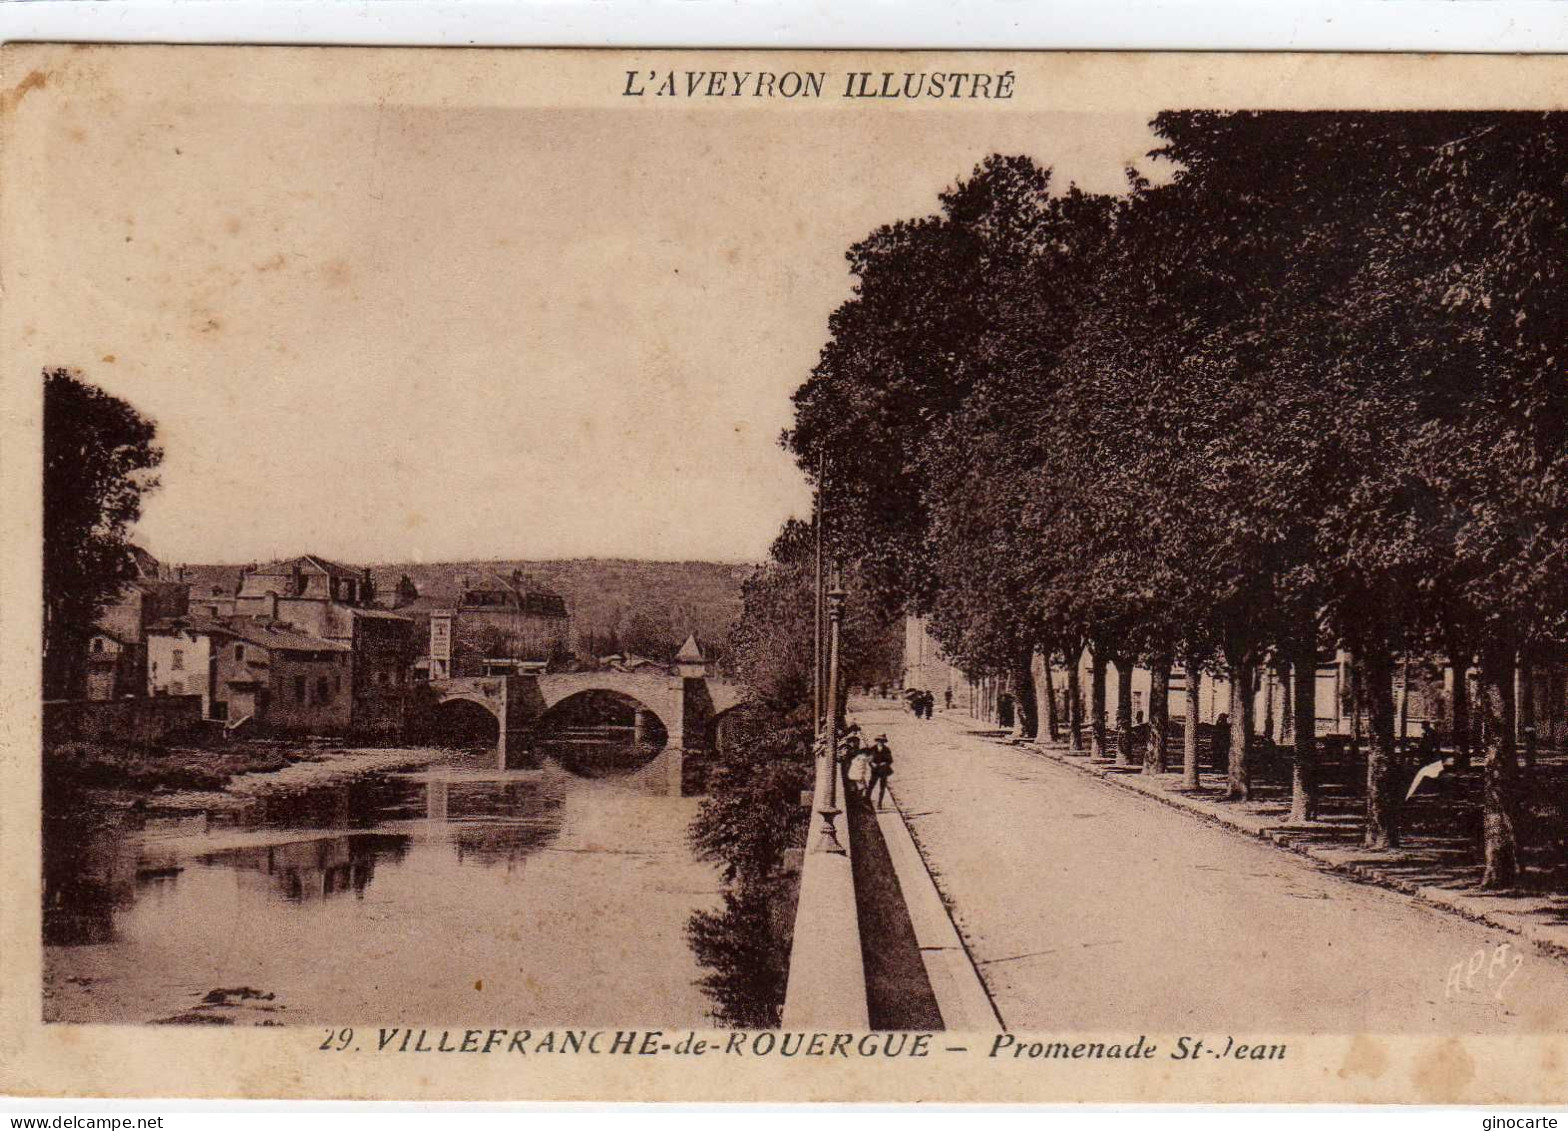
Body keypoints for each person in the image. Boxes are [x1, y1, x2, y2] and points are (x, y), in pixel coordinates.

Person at [869, 734, 895, 809]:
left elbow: (890, 760)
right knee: (871, 786)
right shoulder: (872, 749)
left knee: (882, 788)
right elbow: (869, 759)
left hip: (883, 770)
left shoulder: (887, 749)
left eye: (882, 741)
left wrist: (884, 763)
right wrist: (872, 764)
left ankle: (879, 803)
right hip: (875, 770)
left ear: (884, 742)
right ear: (877, 741)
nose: (880, 742)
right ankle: (867, 801)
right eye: (879, 741)